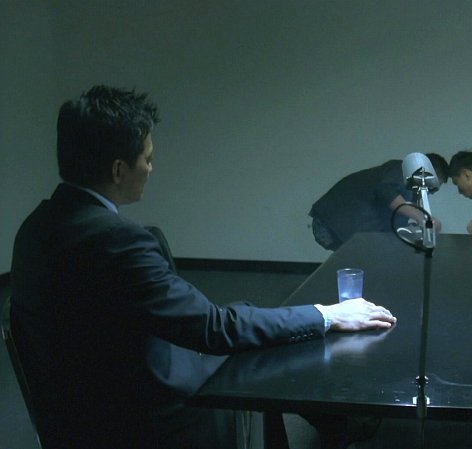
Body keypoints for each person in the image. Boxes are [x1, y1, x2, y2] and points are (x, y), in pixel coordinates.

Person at [10, 85, 397, 449]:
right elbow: (212, 329)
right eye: (147, 159)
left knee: (250, 317)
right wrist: (327, 314)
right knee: (261, 340)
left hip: (78, 404)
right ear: (117, 170)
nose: (151, 168)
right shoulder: (117, 240)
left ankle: (334, 425)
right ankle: (338, 424)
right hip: (137, 415)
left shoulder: (36, 226)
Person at [309, 154, 449, 251]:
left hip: (338, 223)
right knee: (361, 265)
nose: (430, 192)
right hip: (333, 222)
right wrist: (423, 219)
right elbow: (386, 192)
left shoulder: (406, 192)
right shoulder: (399, 169)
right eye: (432, 187)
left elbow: (394, 222)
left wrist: (419, 224)